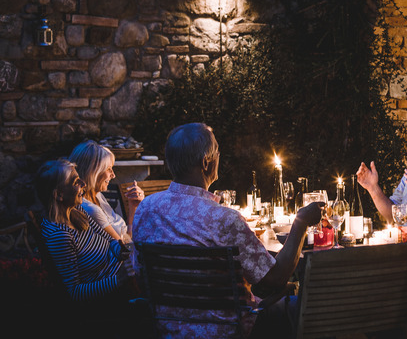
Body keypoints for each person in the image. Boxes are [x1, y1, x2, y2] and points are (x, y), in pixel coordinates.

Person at [132, 123, 323, 338]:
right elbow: (275, 280)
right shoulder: (223, 220)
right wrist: (301, 222)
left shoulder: (146, 210)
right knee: (311, 308)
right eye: (217, 153)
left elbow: (140, 274)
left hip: (166, 328)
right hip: (230, 330)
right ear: (206, 162)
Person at [34, 158, 134, 302]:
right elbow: (74, 292)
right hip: (113, 294)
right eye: (76, 182)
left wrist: (123, 252)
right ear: (59, 195)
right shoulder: (60, 235)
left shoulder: (77, 211)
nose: (83, 184)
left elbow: (109, 240)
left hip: (124, 272)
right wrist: (120, 279)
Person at [69, 140, 145, 242]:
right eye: (108, 169)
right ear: (92, 172)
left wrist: (133, 207)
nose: (113, 175)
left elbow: (127, 237)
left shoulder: (98, 196)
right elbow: (124, 248)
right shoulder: (91, 209)